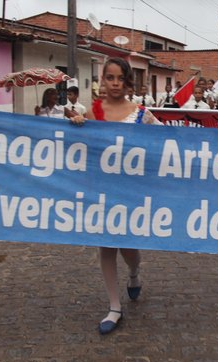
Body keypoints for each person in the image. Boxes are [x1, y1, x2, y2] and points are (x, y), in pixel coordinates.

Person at [68, 58, 162, 335]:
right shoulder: (94, 112)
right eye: (110, 78)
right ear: (103, 81)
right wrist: (76, 124)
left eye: (120, 78)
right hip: (102, 189)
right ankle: (114, 306)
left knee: (128, 248)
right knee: (106, 246)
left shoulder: (141, 114)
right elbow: (82, 143)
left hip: (132, 191)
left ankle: (134, 273)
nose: (115, 83)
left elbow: (167, 142)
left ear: (128, 81)